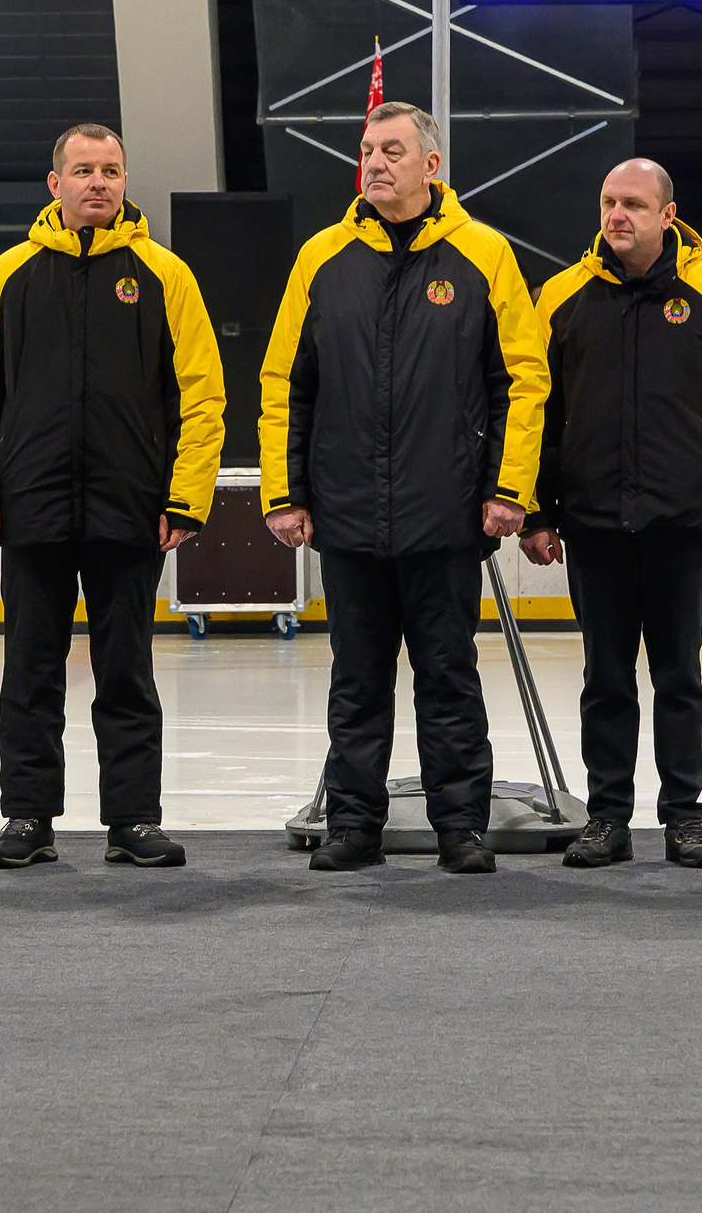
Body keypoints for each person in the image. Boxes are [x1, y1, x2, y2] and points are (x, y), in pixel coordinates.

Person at [260, 102, 549, 875]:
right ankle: (354, 824)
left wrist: (509, 487)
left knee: (449, 677)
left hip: (446, 514)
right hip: (346, 514)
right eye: (367, 149)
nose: (376, 162)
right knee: (355, 681)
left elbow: (521, 381)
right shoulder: (321, 257)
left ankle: (462, 828)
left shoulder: (485, 253)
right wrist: (285, 493)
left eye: (392, 149)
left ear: (432, 164)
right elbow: (286, 381)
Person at [0, 123, 227, 873]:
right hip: (31, 508)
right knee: (29, 673)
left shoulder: (165, 275)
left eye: (110, 170)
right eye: (82, 170)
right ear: (56, 183)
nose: (97, 182)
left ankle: (133, 820)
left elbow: (202, 396)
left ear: (125, 180)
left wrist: (185, 500)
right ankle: (27, 817)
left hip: (130, 511)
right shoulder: (9, 274)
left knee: (126, 673)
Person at [524, 159, 702, 870]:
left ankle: (685, 818)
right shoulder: (561, 297)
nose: (616, 214)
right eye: (608, 201)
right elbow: (538, 414)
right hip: (593, 525)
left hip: (684, 524)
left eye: (633, 203)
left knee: (679, 678)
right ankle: (607, 816)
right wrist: (537, 511)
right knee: (604, 680)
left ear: (668, 215)